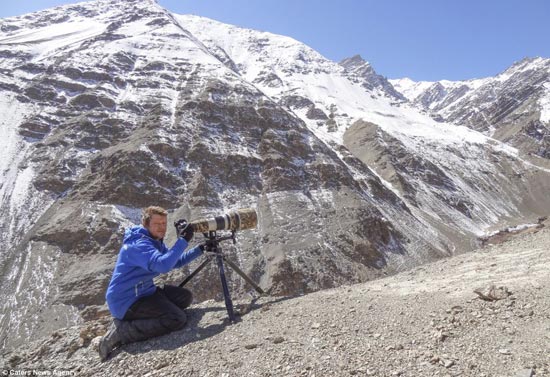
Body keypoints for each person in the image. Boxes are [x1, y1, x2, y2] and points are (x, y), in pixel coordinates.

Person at [98, 206, 204, 361]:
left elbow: (174, 262)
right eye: (157, 224)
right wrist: (183, 240)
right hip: (126, 301)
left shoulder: (154, 241)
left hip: (144, 292)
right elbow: (163, 265)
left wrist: (200, 249)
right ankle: (121, 332)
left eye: (164, 223)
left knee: (184, 298)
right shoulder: (139, 245)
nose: (162, 228)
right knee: (176, 318)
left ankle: (143, 317)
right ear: (146, 224)